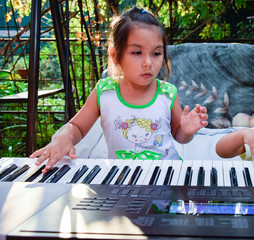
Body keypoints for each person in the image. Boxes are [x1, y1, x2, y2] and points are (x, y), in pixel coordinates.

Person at [31, 6, 208, 173]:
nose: (148, 62)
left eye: (156, 53)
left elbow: (179, 135)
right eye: (137, 53)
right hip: (121, 177)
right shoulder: (104, 92)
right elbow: (77, 126)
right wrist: (64, 137)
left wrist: (187, 130)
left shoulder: (167, 93)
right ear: (116, 56)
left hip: (166, 175)